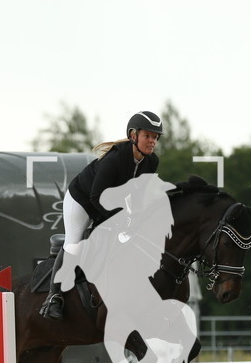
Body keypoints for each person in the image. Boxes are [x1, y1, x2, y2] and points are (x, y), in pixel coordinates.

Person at [39, 110, 164, 319]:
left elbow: (139, 195)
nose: (152, 141)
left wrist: (138, 219)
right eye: (147, 136)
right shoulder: (114, 159)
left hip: (110, 201)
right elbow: (97, 197)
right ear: (134, 136)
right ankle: (54, 297)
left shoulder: (151, 162)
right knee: (74, 242)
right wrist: (119, 218)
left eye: (155, 137)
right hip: (82, 199)